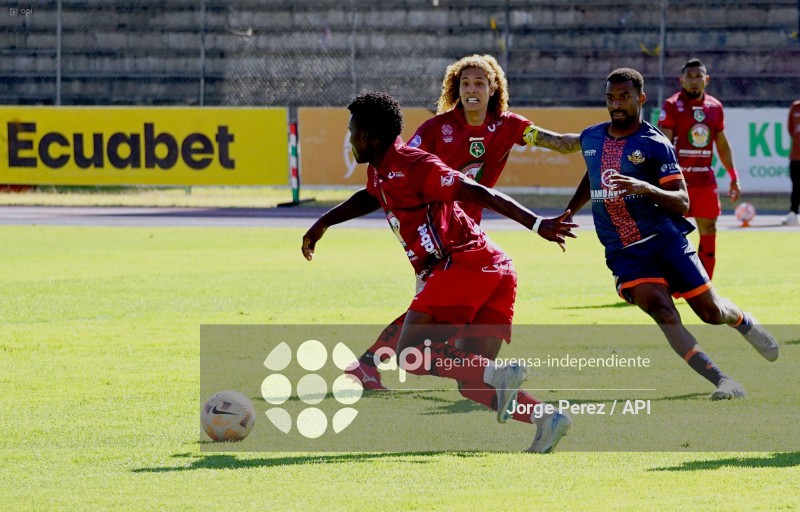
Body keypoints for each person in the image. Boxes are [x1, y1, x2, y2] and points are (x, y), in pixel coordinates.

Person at [302, 91, 577, 451]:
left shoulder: (416, 164)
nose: (349, 137)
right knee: (471, 382)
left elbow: (478, 191)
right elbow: (371, 195)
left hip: (466, 263)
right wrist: (324, 222)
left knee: (409, 354)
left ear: (369, 135)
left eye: (352, 130)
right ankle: (547, 419)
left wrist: (536, 223)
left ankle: (500, 373)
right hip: (493, 268)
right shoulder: (381, 170)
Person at [345, 54, 581, 392]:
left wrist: (599, 137)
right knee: (428, 313)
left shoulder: (510, 125)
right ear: (455, 89)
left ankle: (375, 367)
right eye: (465, 83)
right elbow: (396, 172)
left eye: (479, 83)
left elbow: (558, 143)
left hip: (469, 240)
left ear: (493, 87)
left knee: (436, 314)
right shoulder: (435, 128)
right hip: (436, 237)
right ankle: (369, 365)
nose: (472, 89)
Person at [564, 68, 778, 400]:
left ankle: (743, 321)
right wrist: (568, 211)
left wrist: (643, 187)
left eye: (624, 97)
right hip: (625, 254)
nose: (616, 104)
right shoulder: (593, 137)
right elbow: (590, 175)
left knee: (711, 313)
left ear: (640, 99)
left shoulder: (655, 143)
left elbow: (682, 202)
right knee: (664, 312)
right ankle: (723, 380)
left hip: (666, 240)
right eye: (610, 98)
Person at [657, 59, 739, 279]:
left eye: (698, 76)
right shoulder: (672, 105)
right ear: (682, 80)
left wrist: (733, 176)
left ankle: (705, 286)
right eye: (689, 76)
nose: (694, 81)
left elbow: (721, 143)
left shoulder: (715, 107)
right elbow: (664, 145)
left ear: (706, 79)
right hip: (677, 183)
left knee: (709, 230)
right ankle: (670, 283)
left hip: (704, 180)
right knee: (672, 234)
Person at [784, 98, 800, 225]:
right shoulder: (795, 107)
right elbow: (791, 130)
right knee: (796, 185)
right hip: (796, 156)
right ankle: (793, 213)